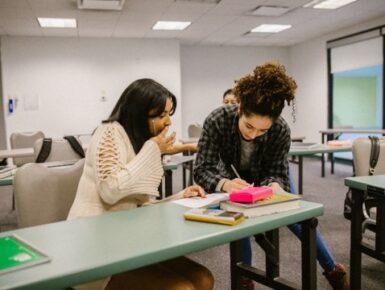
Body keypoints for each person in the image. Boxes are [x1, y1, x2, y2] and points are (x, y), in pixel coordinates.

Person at [193, 61, 349, 290]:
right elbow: (202, 168)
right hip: (233, 175)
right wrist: (224, 183)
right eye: (248, 126)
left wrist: (274, 188)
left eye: (262, 130)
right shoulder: (217, 120)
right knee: (237, 216)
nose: (254, 135)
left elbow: (275, 171)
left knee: (298, 219)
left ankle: (333, 269)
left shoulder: (281, 129)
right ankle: (245, 279)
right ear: (239, 110)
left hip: (267, 174)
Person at [67, 78, 214, 290]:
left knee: (203, 279)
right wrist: (154, 148)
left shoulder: (138, 141)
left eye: (169, 115)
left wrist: (180, 196)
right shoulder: (109, 132)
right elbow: (110, 190)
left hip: (129, 243)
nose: (168, 122)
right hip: (97, 251)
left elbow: (139, 206)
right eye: (162, 115)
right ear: (139, 113)